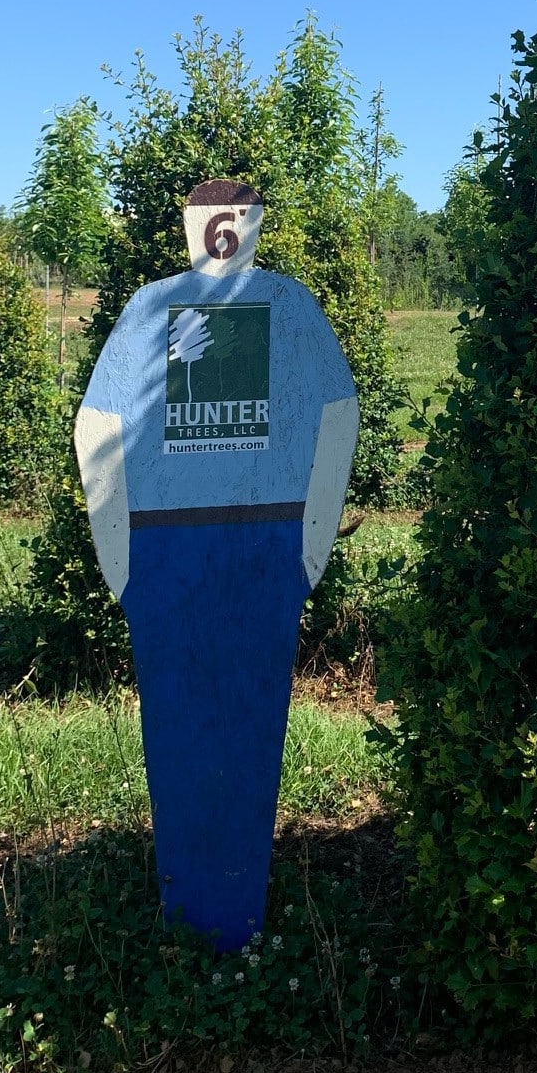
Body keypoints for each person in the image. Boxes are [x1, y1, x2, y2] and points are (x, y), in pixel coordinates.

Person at [74, 181, 359, 948]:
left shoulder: (280, 306)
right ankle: (201, 921)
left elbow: (337, 413)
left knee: (240, 734)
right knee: (187, 734)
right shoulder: (163, 308)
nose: (223, 237)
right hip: (194, 548)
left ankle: (230, 919)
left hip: (234, 545)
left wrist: (307, 548)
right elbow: (98, 423)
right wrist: (122, 560)